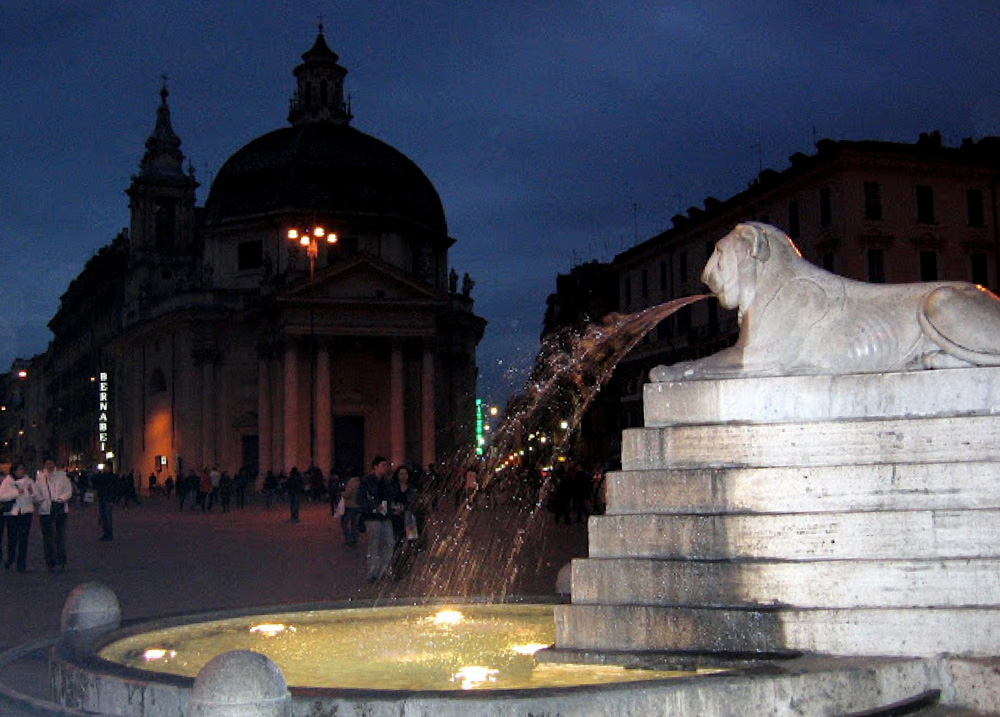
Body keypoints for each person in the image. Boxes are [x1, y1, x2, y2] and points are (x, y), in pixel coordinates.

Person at [360, 456, 395, 582]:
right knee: (373, 544)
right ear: (375, 467)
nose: (385, 467)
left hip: (385, 516)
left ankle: (384, 570)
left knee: (390, 542)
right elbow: (362, 499)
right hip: (373, 517)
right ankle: (373, 572)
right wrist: (374, 507)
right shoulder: (367, 482)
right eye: (383, 465)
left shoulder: (386, 482)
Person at [35, 459, 73, 572]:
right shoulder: (40, 477)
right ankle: (50, 562)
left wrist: (60, 500)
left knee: (60, 536)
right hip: (45, 510)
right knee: (47, 537)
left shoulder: (62, 475)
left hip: (59, 509)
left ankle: (61, 560)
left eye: (51, 463)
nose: (49, 465)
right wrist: (39, 499)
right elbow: (37, 492)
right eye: (46, 463)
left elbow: (68, 490)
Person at [0, 463, 35, 571]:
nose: (21, 471)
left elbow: (36, 496)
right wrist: (16, 493)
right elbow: (2, 496)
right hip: (13, 513)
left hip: (26, 512)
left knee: (23, 539)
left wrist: (31, 492)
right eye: (19, 469)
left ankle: (21, 563)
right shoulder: (7, 482)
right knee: (12, 538)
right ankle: (11, 559)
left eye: (22, 469)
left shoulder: (29, 481)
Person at [93, 466, 118, 540]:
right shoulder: (103, 476)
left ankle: (109, 533)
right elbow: (95, 482)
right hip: (103, 498)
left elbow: (114, 489)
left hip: (107, 499)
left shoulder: (111, 477)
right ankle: (106, 533)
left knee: (107, 516)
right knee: (104, 516)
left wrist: (112, 499)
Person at [340, 472, 361, 546]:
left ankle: (348, 539)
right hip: (358, 506)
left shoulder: (351, 483)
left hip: (350, 506)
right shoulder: (360, 482)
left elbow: (348, 494)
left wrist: (341, 494)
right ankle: (355, 539)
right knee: (355, 524)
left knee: (344, 523)